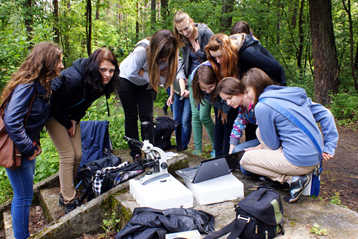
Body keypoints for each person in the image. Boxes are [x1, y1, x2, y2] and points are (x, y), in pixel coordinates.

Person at [238, 68, 339, 203]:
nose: (246, 97)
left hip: (299, 161)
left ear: (256, 87)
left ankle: (292, 179)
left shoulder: (262, 106)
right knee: (259, 132)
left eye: (247, 91)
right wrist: (329, 147)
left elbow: (272, 145)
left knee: (245, 160)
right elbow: (326, 114)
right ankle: (292, 172)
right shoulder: (291, 94)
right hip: (316, 156)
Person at [2, 42, 64, 239]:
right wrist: (29, 149)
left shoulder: (41, 84)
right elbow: (12, 121)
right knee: (23, 197)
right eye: (58, 61)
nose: (61, 65)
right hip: (19, 149)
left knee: (24, 195)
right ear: (46, 62)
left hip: (25, 146)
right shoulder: (28, 86)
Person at [47, 48, 119, 213]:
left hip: (71, 115)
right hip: (54, 114)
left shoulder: (101, 82)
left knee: (78, 155)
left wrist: (74, 119)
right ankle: (69, 199)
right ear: (95, 67)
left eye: (111, 71)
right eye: (103, 70)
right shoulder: (73, 79)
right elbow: (54, 105)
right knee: (68, 155)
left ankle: (66, 190)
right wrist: (67, 122)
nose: (107, 74)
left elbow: (86, 103)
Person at [204, 33, 286, 155]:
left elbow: (276, 68)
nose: (218, 61)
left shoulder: (247, 53)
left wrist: (268, 95)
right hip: (252, 103)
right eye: (215, 58)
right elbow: (238, 125)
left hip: (267, 98)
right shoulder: (243, 108)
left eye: (220, 56)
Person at [119, 29, 183, 159]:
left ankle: (151, 151)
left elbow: (165, 79)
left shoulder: (172, 55)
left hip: (146, 84)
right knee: (131, 117)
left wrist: (144, 73)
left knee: (147, 118)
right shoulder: (141, 51)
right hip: (126, 80)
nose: (164, 59)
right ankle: (136, 153)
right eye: (161, 56)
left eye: (167, 56)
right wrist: (154, 76)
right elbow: (132, 72)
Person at [170, 11, 214, 154]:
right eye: (180, 30)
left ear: (191, 22)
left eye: (186, 28)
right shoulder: (182, 38)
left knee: (204, 116)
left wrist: (200, 52)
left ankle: (216, 148)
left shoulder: (205, 33)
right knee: (195, 117)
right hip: (192, 79)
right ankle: (198, 149)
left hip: (207, 80)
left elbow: (216, 56)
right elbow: (182, 62)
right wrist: (184, 80)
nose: (184, 32)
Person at [190, 61, 236, 157]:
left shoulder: (222, 74)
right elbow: (207, 96)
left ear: (216, 80)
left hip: (230, 97)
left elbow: (229, 95)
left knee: (228, 124)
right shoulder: (196, 79)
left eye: (210, 86)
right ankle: (218, 153)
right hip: (216, 98)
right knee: (219, 123)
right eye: (203, 88)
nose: (207, 90)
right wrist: (220, 107)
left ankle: (227, 154)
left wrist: (225, 110)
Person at [216, 77, 257, 154]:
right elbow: (237, 126)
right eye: (225, 100)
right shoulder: (243, 107)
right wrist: (231, 153)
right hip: (263, 139)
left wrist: (257, 148)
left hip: (275, 140)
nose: (228, 103)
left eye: (230, 98)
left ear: (238, 91)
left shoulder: (255, 105)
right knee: (236, 150)